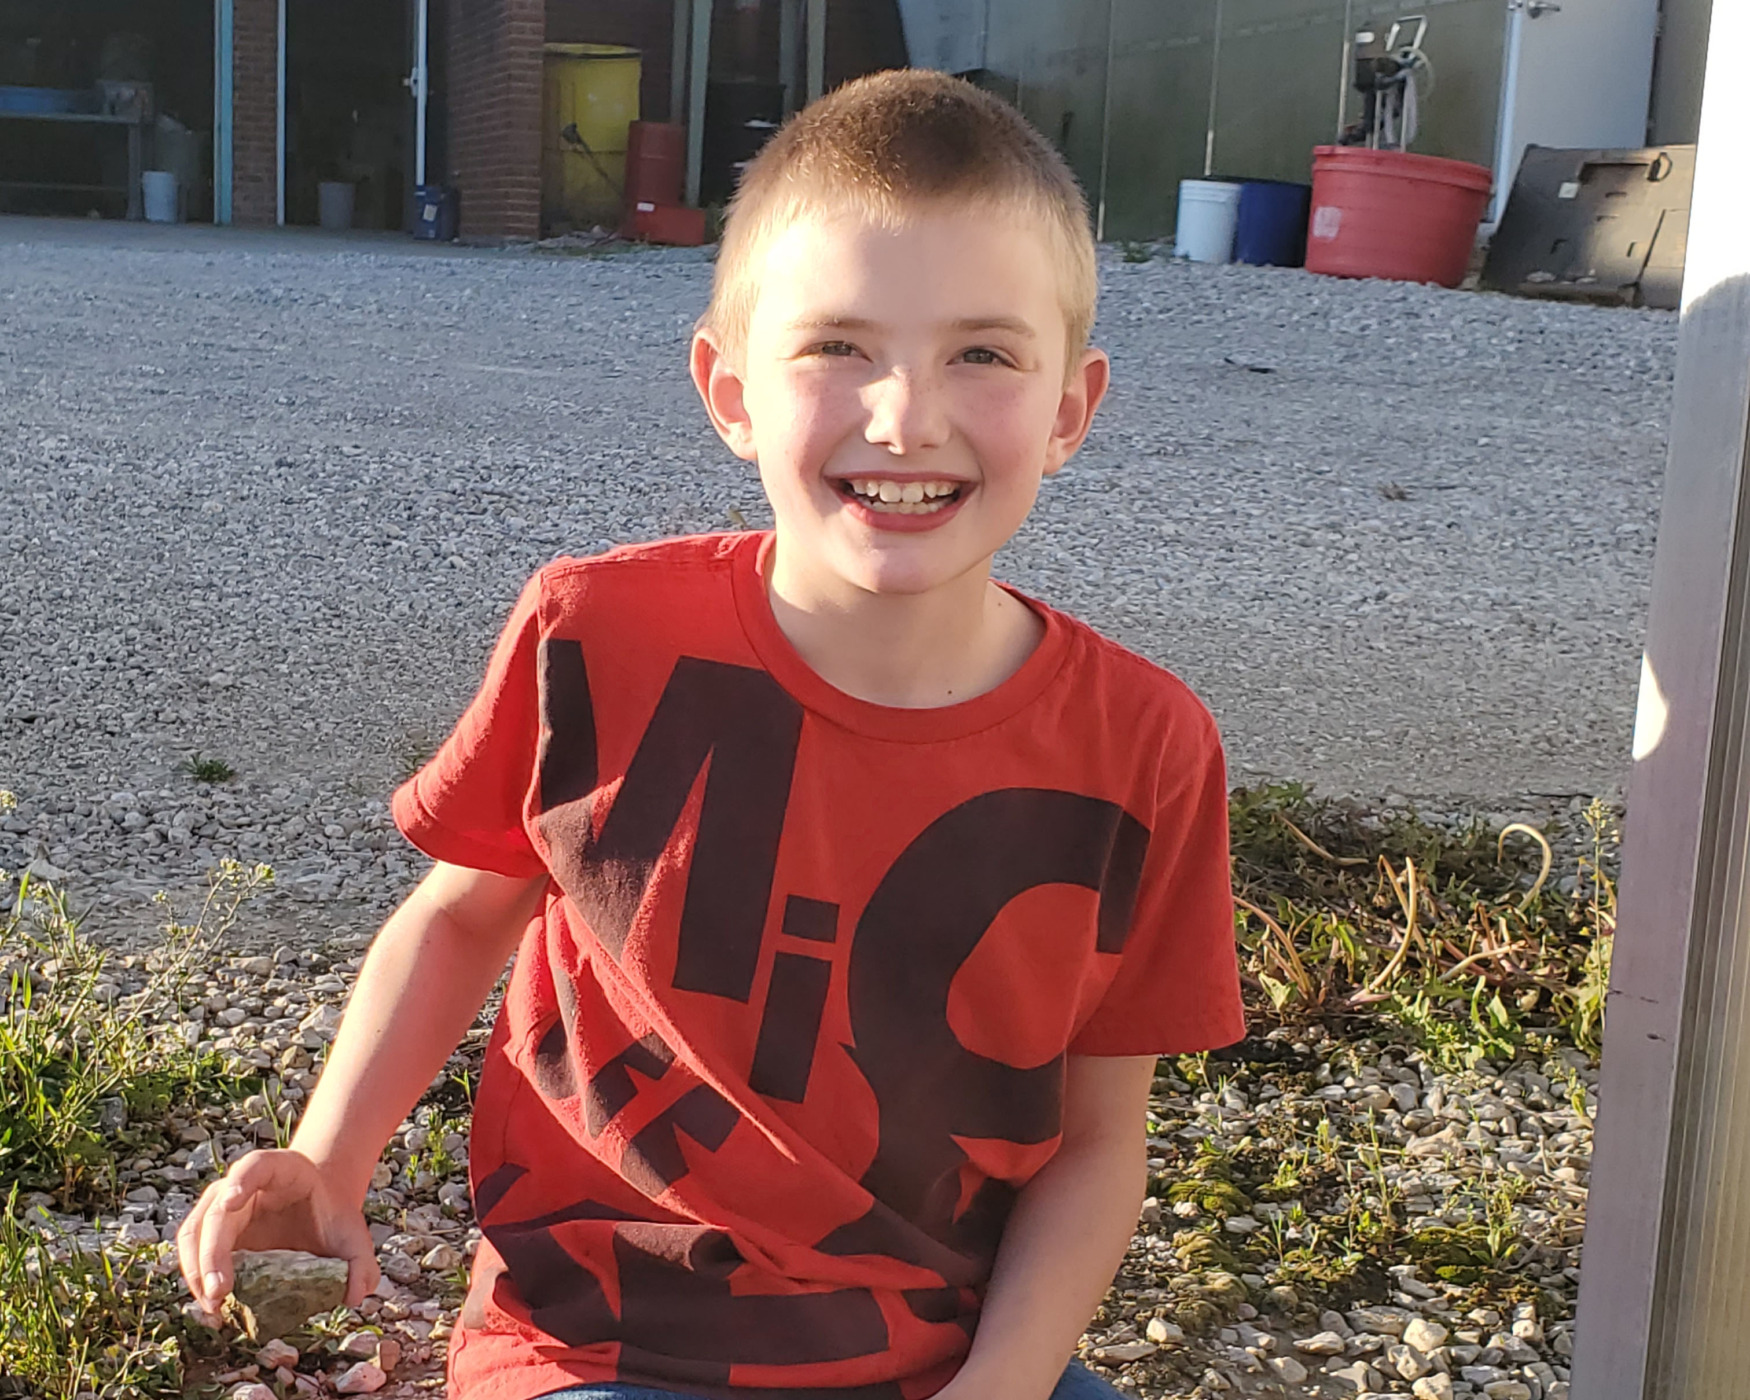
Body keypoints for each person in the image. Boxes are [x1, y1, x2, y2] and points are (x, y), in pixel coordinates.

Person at [176, 69, 1245, 1400]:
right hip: (595, 1349)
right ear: (730, 393)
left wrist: (1002, 1383)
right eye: (838, 346)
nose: (905, 416)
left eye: (982, 354)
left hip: (943, 1358)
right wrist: (329, 1158)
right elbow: (459, 917)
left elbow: (1096, 1143)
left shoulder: (1145, 745)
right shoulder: (594, 631)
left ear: (1069, 410)